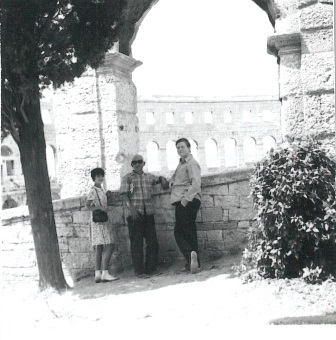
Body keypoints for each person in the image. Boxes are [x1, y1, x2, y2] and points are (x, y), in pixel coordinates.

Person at [120, 154, 169, 278]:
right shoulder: (127, 178)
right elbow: (124, 195)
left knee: (152, 242)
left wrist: (163, 180)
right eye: (134, 162)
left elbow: (159, 178)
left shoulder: (149, 177)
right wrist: (131, 210)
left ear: (143, 163)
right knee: (137, 244)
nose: (137, 164)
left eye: (139, 162)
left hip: (148, 213)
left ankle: (150, 269)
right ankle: (139, 272)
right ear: (132, 165)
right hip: (135, 214)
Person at [169, 138, 202, 274]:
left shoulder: (191, 163)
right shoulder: (181, 164)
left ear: (189, 148)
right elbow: (177, 179)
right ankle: (194, 263)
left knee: (179, 232)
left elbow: (196, 184)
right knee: (189, 231)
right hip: (185, 199)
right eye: (178, 148)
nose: (180, 149)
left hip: (188, 200)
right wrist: (171, 182)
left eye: (182, 147)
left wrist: (185, 200)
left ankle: (190, 258)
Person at [86, 168, 119, 283]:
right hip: (100, 221)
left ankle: (97, 273)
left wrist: (107, 196)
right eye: (98, 176)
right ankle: (105, 272)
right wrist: (99, 207)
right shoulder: (93, 190)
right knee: (109, 244)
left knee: (99, 247)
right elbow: (88, 206)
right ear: (94, 178)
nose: (100, 178)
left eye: (101, 176)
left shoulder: (100, 190)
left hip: (99, 221)